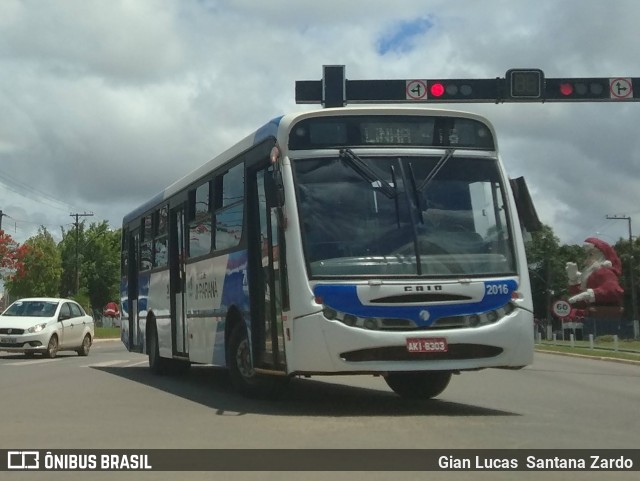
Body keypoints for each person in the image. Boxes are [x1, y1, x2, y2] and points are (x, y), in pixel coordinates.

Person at [566, 237, 624, 310]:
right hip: (592, 314)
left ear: (601, 256)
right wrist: (573, 279)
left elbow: (613, 291)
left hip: (604, 315)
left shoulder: (604, 272)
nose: (586, 260)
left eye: (590, 255)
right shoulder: (592, 275)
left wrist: (589, 294)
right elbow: (580, 301)